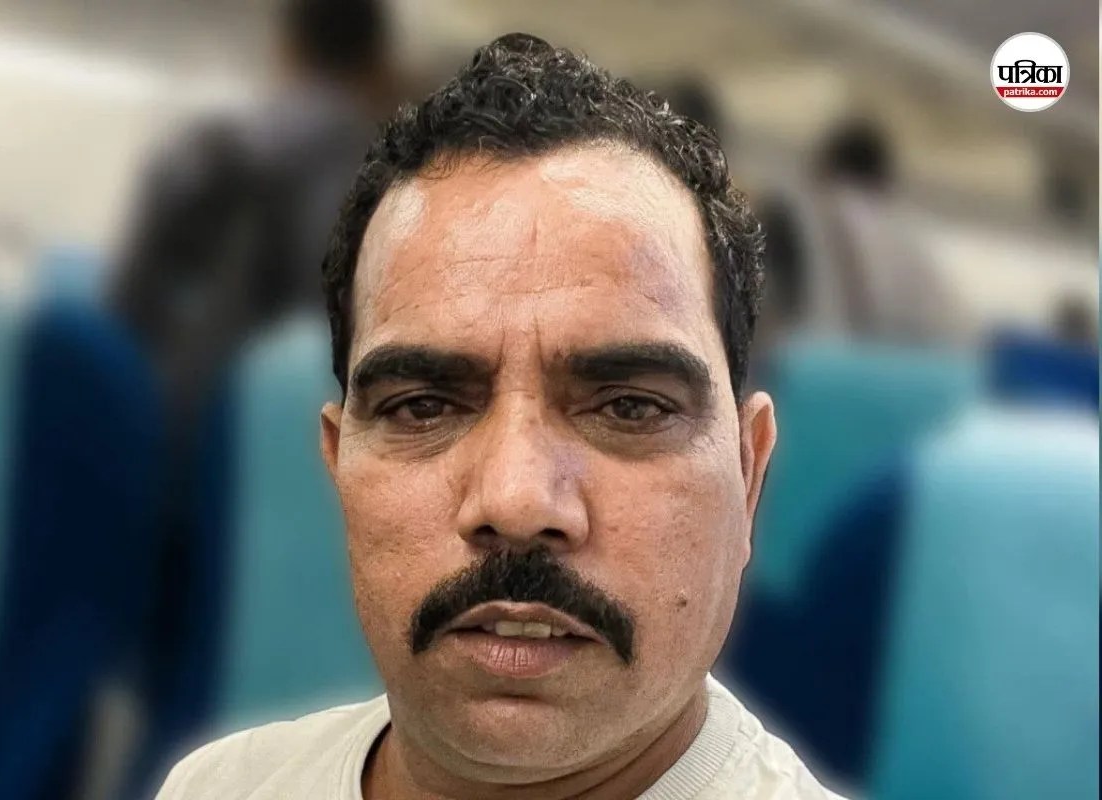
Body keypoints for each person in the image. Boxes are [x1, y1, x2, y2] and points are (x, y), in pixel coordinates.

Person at [156, 33, 845, 800]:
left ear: (747, 475)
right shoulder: (218, 786)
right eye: (422, 406)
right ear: (339, 467)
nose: (516, 501)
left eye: (628, 406)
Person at [110, 0, 395, 439]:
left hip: (180, 420)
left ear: (286, 47)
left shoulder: (205, 149)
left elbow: (126, 299)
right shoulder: (395, 181)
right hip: (311, 441)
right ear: (377, 64)